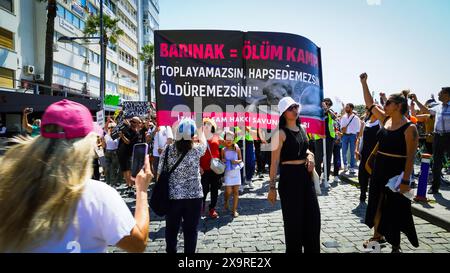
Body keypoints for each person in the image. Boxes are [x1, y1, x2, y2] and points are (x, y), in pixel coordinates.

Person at [0, 99, 152, 253]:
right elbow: (138, 243)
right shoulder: (98, 195)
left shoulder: (9, 188)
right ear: (84, 144)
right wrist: (142, 191)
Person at [360, 73, 419, 253]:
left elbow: (411, 156)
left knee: (394, 209)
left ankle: (396, 245)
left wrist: (406, 180)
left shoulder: (410, 128)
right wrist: (364, 83)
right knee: (376, 203)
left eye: (387, 103)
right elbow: (370, 104)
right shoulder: (385, 120)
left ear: (398, 106)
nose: (383, 105)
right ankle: (378, 235)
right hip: (380, 169)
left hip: (396, 172)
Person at [267, 97, 320, 253]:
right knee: (293, 224)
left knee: (313, 219)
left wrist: (310, 157)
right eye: (291, 108)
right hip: (289, 180)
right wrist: (272, 187)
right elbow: (274, 162)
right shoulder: (280, 133)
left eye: (296, 106)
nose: (295, 110)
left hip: (305, 177)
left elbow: (307, 149)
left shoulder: (303, 128)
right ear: (284, 113)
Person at [157, 118, 206, 253]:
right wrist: (200, 128)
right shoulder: (197, 150)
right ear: (192, 135)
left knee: (171, 230)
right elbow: (204, 142)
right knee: (191, 231)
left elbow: (159, 172)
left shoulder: (168, 150)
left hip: (173, 198)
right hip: (194, 197)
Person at [410, 89, 450, 194]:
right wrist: (417, 100)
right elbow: (426, 110)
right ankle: (435, 187)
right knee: (436, 163)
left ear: (447, 95)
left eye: (440, 93)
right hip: (438, 137)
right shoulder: (438, 107)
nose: (438, 94)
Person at [355, 107, 380, 203]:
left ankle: (374, 196)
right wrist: (356, 150)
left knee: (374, 175)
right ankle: (363, 192)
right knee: (362, 175)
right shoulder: (365, 123)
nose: (367, 112)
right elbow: (359, 138)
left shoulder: (381, 124)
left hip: (375, 154)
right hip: (364, 153)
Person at [199, 118, 221, 218]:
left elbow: (223, 149)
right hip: (204, 169)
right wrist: (199, 167)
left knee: (215, 189)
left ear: (212, 126)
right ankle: (201, 204)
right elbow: (194, 154)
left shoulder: (217, 137)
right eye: (205, 124)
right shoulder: (198, 138)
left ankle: (212, 208)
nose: (206, 125)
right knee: (203, 189)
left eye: (209, 124)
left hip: (215, 169)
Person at [313, 98, 337, 187]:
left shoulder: (330, 112)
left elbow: (335, 118)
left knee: (328, 158)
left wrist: (328, 110)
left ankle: (326, 179)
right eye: (325, 103)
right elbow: (313, 124)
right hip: (319, 138)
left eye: (328, 104)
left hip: (329, 138)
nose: (326, 105)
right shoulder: (317, 112)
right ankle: (317, 178)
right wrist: (318, 134)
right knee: (318, 159)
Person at [222, 130, 243, 218]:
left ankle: (234, 210)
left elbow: (241, 159)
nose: (229, 140)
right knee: (228, 191)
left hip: (236, 172)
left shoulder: (237, 148)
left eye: (231, 138)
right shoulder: (223, 150)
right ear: (224, 139)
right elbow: (222, 160)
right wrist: (223, 160)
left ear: (234, 139)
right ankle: (226, 201)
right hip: (228, 172)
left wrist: (236, 161)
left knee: (235, 192)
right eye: (227, 138)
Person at [339, 103, 361, 174]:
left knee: (352, 152)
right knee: (343, 151)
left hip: (353, 136)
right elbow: (341, 127)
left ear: (351, 108)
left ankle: (351, 167)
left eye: (347, 107)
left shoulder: (356, 118)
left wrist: (357, 139)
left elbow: (358, 130)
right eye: (346, 107)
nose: (346, 109)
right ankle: (345, 165)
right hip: (345, 135)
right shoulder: (343, 117)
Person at [103, 120, 120, 186]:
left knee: (114, 168)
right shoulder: (106, 135)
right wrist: (107, 121)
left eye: (112, 127)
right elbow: (105, 128)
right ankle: (108, 182)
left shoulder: (117, 135)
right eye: (109, 127)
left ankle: (113, 183)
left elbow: (117, 127)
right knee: (107, 168)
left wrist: (113, 121)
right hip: (107, 152)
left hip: (114, 152)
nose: (110, 128)